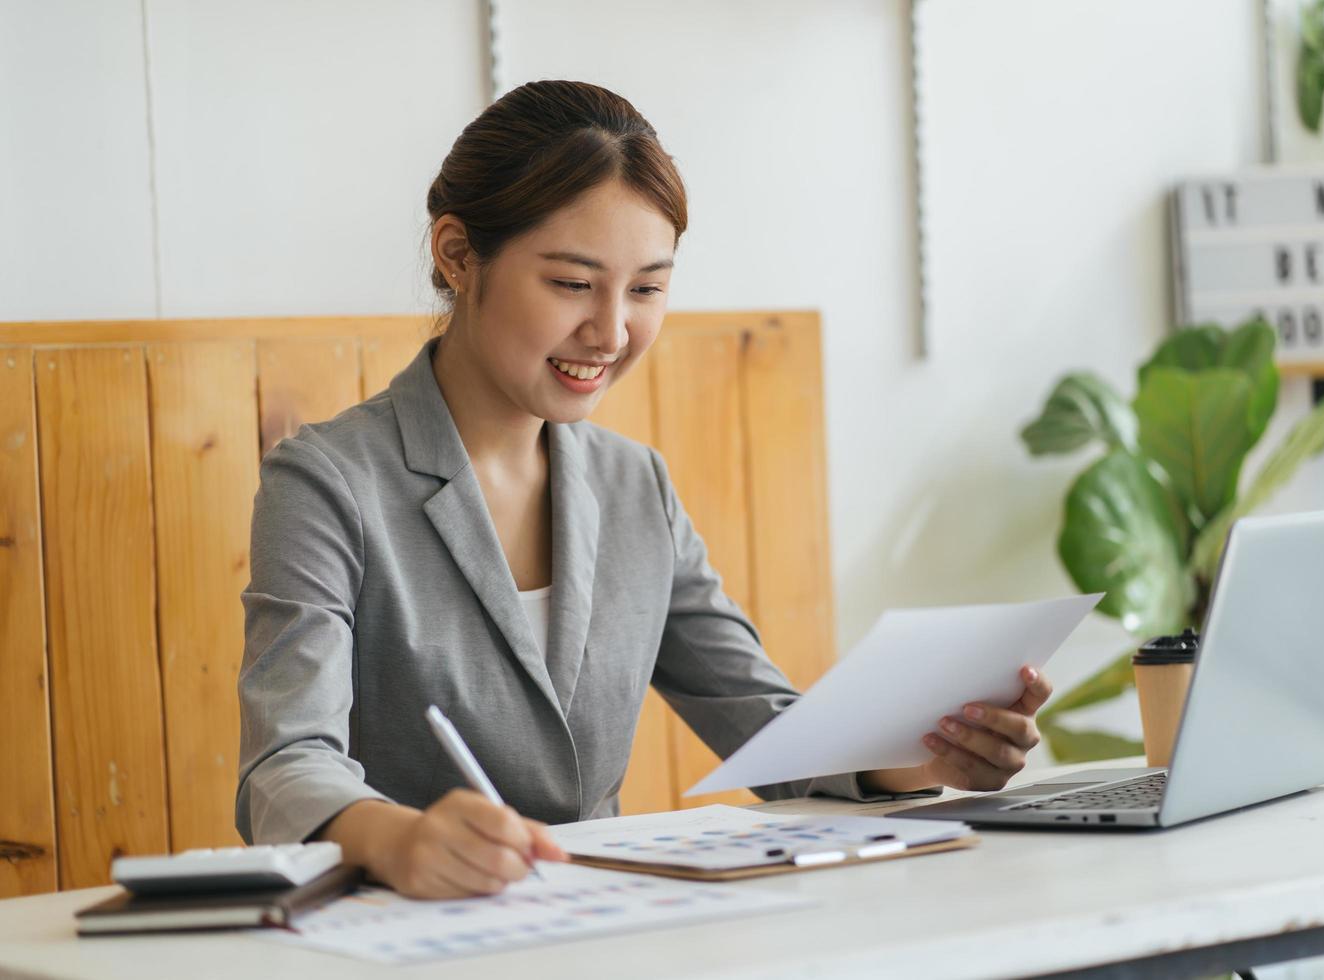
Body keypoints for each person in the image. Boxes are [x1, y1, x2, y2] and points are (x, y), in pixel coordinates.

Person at [236, 79, 1054, 900]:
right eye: (571, 283)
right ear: (456, 253)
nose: (613, 331)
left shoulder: (635, 484)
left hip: (604, 919)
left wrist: (919, 756)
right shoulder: (328, 481)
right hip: (411, 922)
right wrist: (398, 838)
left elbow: (765, 723)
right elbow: (284, 764)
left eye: (647, 288)